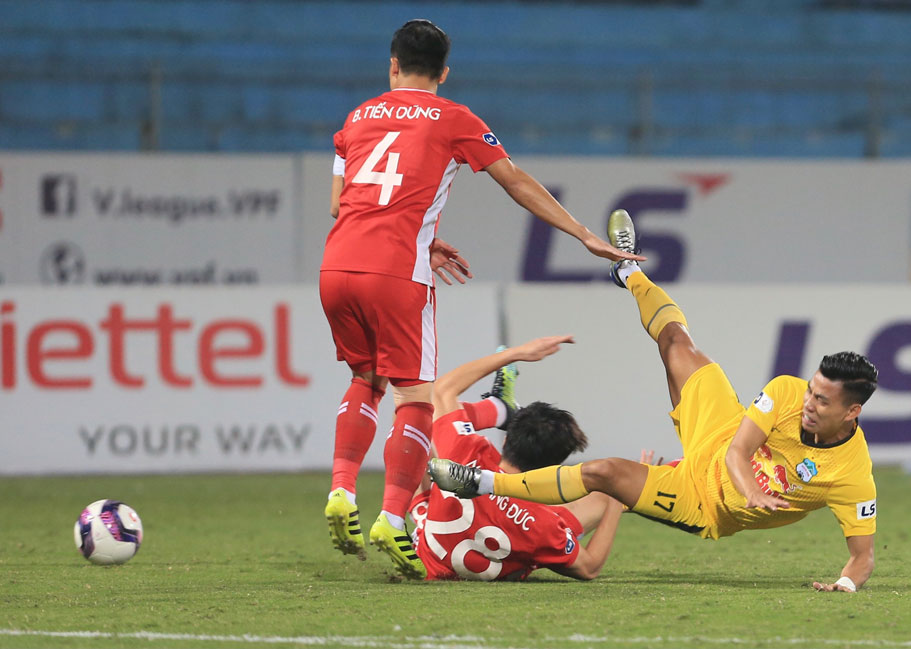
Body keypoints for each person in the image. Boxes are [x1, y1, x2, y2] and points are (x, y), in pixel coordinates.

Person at [320, 19, 643, 579]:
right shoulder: (454, 118)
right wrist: (583, 235)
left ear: (391, 64)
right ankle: (392, 519)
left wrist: (425, 235)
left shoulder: (357, 117)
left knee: (364, 379)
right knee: (417, 397)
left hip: (336, 265)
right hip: (396, 271)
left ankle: (341, 489)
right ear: (444, 72)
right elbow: (515, 181)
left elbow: (340, 204)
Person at [430, 209, 879, 593]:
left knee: (604, 472)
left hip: (699, 501)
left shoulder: (853, 476)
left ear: (852, 411)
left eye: (822, 400)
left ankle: (482, 484)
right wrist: (752, 490)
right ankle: (629, 272)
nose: (809, 402)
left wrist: (844, 585)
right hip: (722, 434)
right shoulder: (786, 391)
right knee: (676, 342)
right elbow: (739, 451)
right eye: (812, 391)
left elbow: (862, 559)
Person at [409, 337, 622, 581]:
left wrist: (515, 354)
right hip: (526, 528)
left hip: (426, 557)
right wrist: (618, 497)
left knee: (413, 419)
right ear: (554, 468)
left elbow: (443, 390)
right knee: (605, 495)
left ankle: (498, 408)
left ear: (506, 440)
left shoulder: (468, 450)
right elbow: (589, 567)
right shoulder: (544, 524)